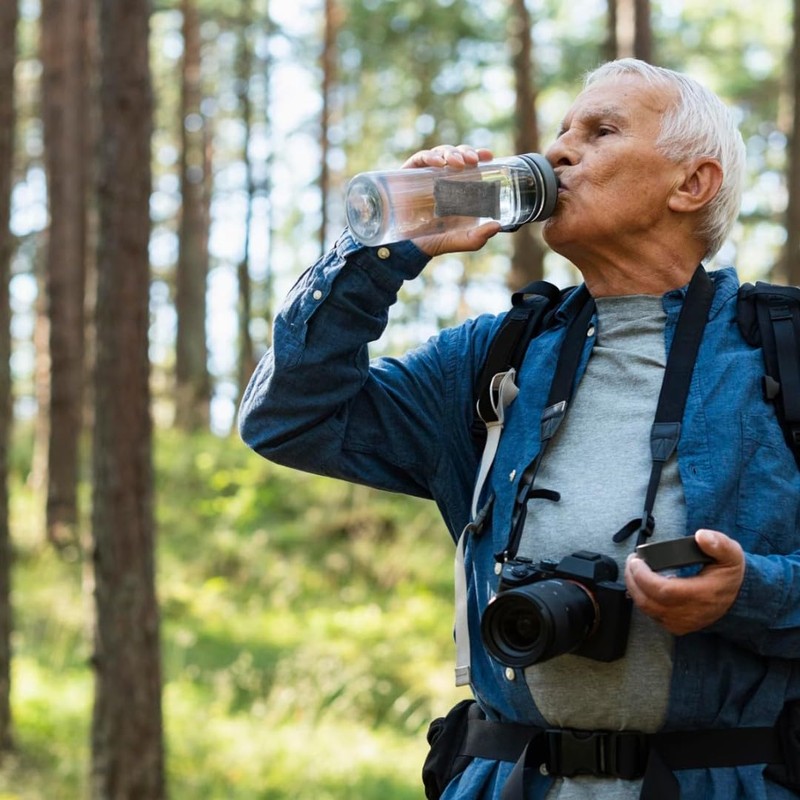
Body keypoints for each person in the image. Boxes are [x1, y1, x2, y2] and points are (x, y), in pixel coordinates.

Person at [238, 58, 800, 800]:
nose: (558, 150)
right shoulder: (493, 357)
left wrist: (750, 592)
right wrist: (381, 252)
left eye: (601, 132)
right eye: (563, 131)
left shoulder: (781, 354)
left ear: (691, 184)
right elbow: (289, 417)